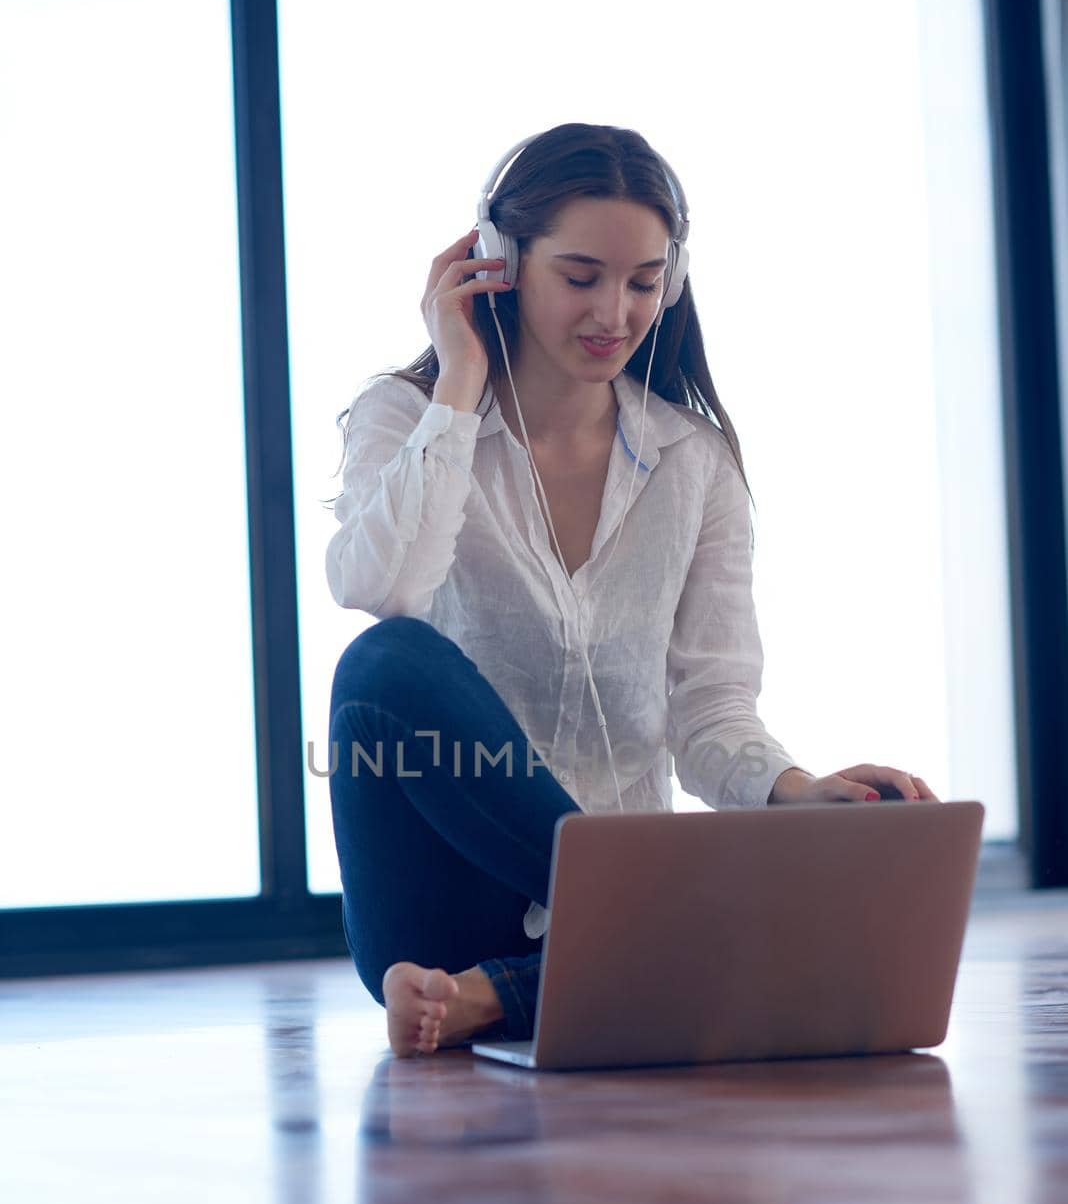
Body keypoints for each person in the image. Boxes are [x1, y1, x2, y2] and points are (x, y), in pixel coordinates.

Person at [323, 122, 939, 1061]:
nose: (615, 311)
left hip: (598, 919)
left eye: (644, 282)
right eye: (580, 277)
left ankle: (507, 993)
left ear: (673, 281)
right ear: (501, 261)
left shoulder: (694, 464)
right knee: (383, 664)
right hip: (448, 901)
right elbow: (381, 586)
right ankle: (666, 938)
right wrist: (457, 386)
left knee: (760, 866)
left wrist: (796, 793)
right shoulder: (408, 418)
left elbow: (710, 713)